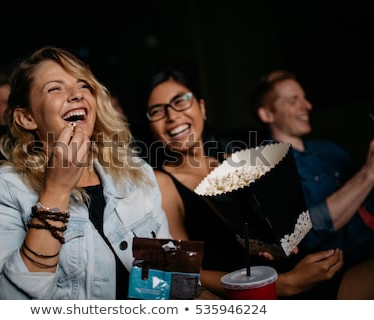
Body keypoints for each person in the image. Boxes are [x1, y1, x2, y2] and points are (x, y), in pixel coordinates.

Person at [140, 69, 373, 299]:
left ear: (201, 107)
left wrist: (276, 243)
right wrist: (278, 285)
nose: (172, 116)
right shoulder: (161, 183)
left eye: (180, 101)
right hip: (258, 293)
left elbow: (266, 230)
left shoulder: (232, 157)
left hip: (297, 269)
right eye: (157, 111)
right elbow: (182, 274)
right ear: (150, 126)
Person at [0, 46, 172, 299]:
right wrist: (56, 192)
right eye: (55, 88)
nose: (76, 95)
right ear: (27, 118)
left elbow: (164, 276)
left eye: (83, 85)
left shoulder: (136, 172)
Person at [250, 70, 374, 268]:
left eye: (304, 98)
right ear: (267, 114)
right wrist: (369, 174)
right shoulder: (262, 166)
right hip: (343, 265)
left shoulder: (330, 149)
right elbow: (299, 232)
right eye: (293, 100)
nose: (307, 106)